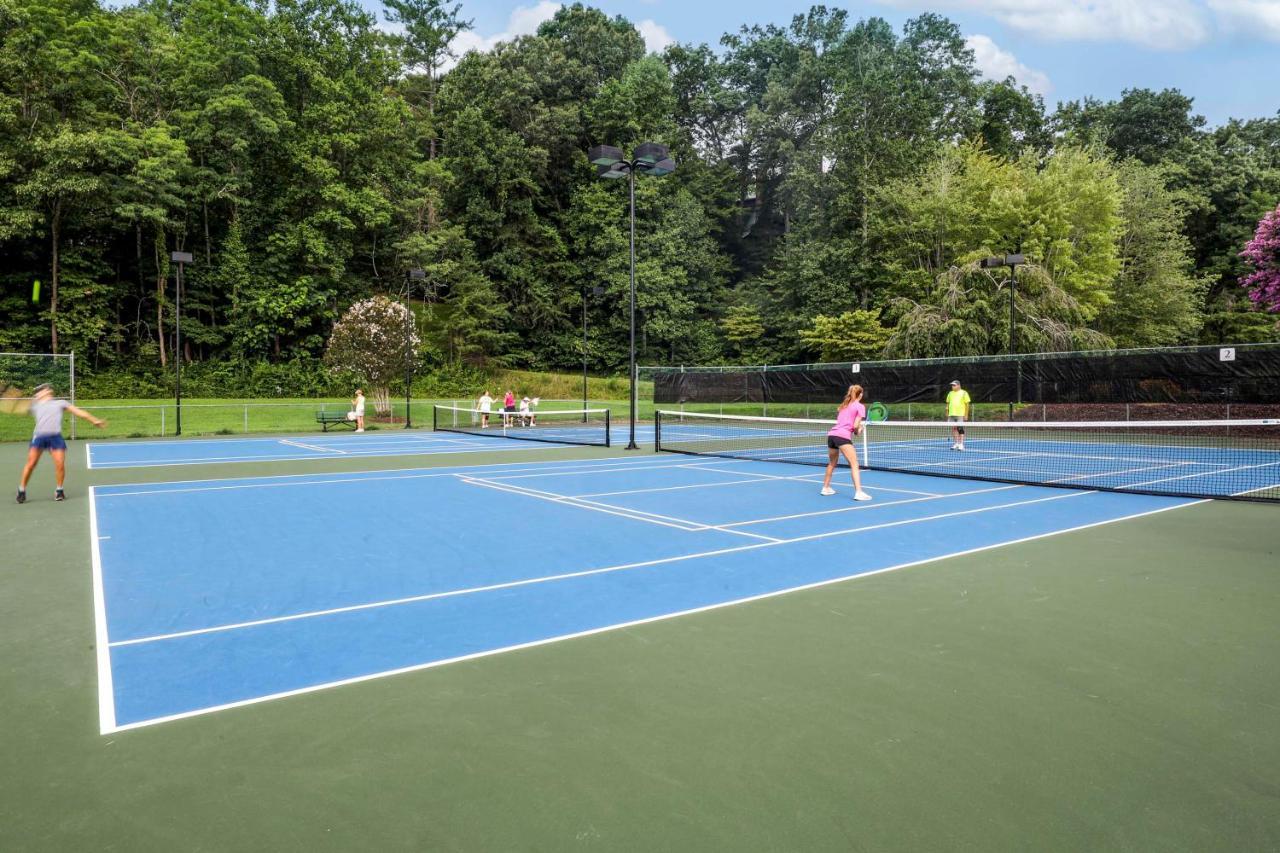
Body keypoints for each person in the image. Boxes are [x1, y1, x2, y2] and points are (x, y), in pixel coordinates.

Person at [17, 384, 106, 504]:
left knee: (60, 464)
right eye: (40, 391)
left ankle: (59, 490)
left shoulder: (60, 403)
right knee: (31, 464)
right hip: (39, 437)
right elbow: (18, 407)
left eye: (45, 389)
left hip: (56, 437)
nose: (44, 391)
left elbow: (79, 412)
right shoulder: (35, 405)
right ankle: (21, 490)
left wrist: (94, 420)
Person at [820, 384, 872, 502]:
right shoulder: (860, 406)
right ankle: (858, 492)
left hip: (832, 435)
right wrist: (859, 430)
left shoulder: (844, 405)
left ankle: (825, 488)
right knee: (854, 464)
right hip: (842, 437)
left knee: (832, 463)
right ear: (860, 394)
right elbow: (854, 427)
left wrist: (856, 429)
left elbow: (847, 424)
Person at [946, 379, 971, 451]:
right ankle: (956, 443)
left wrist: (966, 415)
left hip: (960, 414)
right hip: (951, 414)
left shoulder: (964, 393)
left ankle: (961, 444)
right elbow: (947, 403)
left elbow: (967, 404)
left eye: (954, 385)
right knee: (954, 428)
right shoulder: (950, 393)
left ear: (959, 386)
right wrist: (947, 412)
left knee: (960, 428)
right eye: (952, 385)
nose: (953, 387)